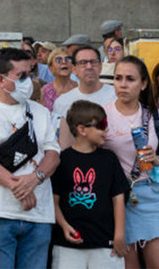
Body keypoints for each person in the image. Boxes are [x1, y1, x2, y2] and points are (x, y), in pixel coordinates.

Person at [0, 48, 59, 269]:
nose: (29, 81)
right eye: (21, 76)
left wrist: (35, 178)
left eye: (31, 73)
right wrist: (19, 188)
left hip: (39, 215)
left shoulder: (41, 112)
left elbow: (53, 155)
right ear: (1, 79)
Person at [103, 57, 159, 268]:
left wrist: (156, 159)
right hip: (116, 199)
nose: (122, 84)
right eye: (118, 78)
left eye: (130, 79)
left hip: (153, 194)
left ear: (143, 84)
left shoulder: (154, 114)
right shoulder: (102, 114)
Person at [52, 100, 127, 268]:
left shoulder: (109, 159)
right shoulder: (62, 160)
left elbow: (118, 198)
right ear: (81, 129)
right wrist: (64, 226)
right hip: (67, 245)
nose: (106, 130)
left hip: (105, 242)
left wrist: (119, 235)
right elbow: (53, 200)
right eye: (101, 125)